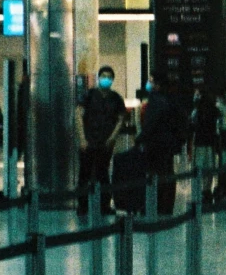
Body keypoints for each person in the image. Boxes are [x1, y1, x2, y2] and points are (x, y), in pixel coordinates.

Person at [77, 66, 128, 215]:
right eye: (103, 76)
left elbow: (120, 119)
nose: (106, 79)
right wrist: (82, 138)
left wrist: (112, 138)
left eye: (109, 77)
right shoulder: (89, 95)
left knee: (103, 173)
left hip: (105, 143)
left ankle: (104, 205)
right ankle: (83, 205)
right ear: (99, 77)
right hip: (88, 140)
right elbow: (78, 115)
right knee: (84, 174)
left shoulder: (116, 98)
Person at [136, 85, 190, 213]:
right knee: (168, 173)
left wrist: (140, 139)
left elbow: (151, 124)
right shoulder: (172, 100)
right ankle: (166, 206)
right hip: (170, 144)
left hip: (156, 144)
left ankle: (157, 205)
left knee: (156, 174)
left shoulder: (156, 101)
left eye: (151, 81)